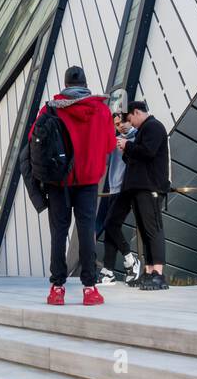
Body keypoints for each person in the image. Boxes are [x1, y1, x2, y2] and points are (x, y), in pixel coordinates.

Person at [28, 65, 115, 306]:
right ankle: (89, 289)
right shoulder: (100, 110)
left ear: (65, 85)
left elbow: (33, 142)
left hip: (59, 181)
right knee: (87, 230)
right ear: (85, 84)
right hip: (88, 181)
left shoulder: (50, 109)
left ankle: (57, 288)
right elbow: (109, 146)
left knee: (58, 232)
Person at [116, 100, 170, 291]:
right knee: (145, 231)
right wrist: (127, 149)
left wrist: (128, 146)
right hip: (140, 187)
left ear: (137, 112)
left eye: (130, 118)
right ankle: (148, 271)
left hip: (151, 187)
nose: (130, 123)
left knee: (153, 229)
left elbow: (148, 152)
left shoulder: (153, 127)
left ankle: (158, 273)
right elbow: (139, 156)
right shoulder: (143, 130)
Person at [96, 113, 143, 286]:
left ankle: (131, 260)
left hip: (127, 188)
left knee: (110, 224)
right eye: (116, 124)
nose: (120, 126)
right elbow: (105, 160)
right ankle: (108, 271)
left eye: (122, 121)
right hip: (114, 189)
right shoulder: (114, 140)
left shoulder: (139, 136)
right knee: (110, 227)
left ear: (130, 119)